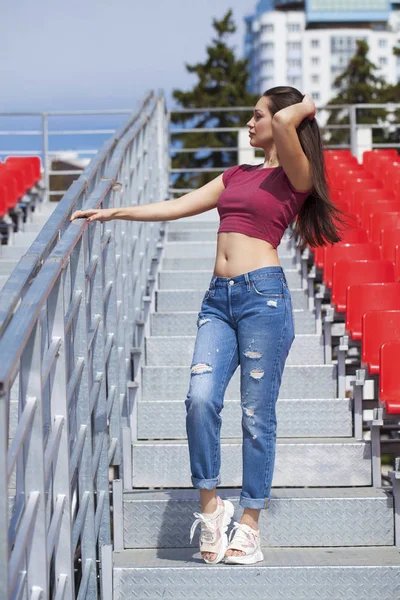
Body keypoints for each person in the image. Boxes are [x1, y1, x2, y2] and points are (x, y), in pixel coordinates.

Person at [70, 86, 350, 566]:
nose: (249, 122)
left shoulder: (295, 175)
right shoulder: (236, 176)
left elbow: (288, 126)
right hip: (217, 301)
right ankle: (212, 508)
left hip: (263, 299)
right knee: (200, 398)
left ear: (281, 121)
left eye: (257, 115)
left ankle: (251, 523)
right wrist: (114, 212)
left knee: (256, 416)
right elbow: (179, 205)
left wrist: (303, 106)